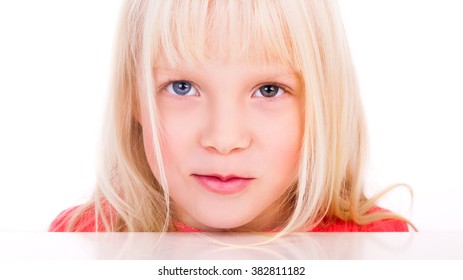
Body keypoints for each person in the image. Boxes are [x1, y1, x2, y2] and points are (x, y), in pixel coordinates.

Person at [50, 0, 414, 233]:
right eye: (181, 87)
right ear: (133, 99)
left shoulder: (382, 250)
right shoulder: (80, 245)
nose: (224, 139)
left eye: (269, 90)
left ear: (324, 104)